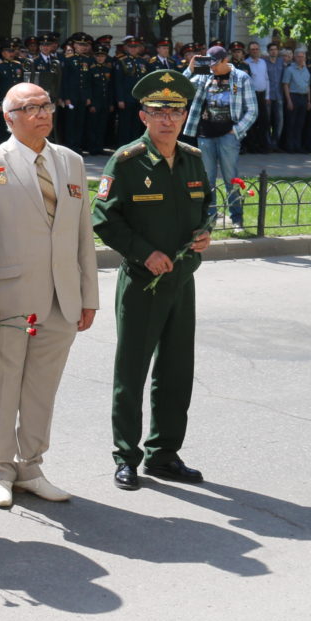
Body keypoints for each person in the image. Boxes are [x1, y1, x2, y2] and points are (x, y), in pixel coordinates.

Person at [0, 82, 99, 509]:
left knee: (42, 388)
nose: (41, 113)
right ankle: (0, 470)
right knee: (3, 386)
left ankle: (31, 466)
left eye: (46, 105)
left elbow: (82, 235)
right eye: (30, 107)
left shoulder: (71, 162)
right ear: (9, 117)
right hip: (9, 299)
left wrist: (88, 295)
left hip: (62, 297)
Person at [93, 69, 214, 488]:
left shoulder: (193, 160)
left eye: (175, 111)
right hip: (143, 282)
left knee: (177, 369)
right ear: (143, 116)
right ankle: (126, 455)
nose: (168, 119)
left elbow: (208, 206)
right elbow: (104, 219)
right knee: (133, 369)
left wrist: (204, 233)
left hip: (182, 279)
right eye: (159, 111)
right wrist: (146, 253)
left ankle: (164, 453)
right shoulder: (126, 162)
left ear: (184, 116)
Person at [183, 46, 256, 229]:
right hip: (205, 135)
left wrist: (237, 130)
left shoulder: (241, 77)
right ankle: (210, 218)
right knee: (207, 180)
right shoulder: (204, 74)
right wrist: (190, 69)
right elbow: (181, 89)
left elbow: (252, 110)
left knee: (231, 178)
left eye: (215, 64)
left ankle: (237, 218)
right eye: (210, 64)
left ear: (225, 60)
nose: (212, 68)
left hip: (228, 137)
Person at [281, 48, 311, 153]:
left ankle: (297, 145)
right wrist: (288, 100)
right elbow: (285, 85)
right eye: (298, 56)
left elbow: (308, 86)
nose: (301, 58)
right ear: (294, 57)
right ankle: (289, 146)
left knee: (300, 123)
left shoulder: (306, 69)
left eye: (302, 56)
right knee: (291, 122)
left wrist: (309, 100)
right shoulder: (289, 69)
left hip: (303, 97)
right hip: (293, 97)